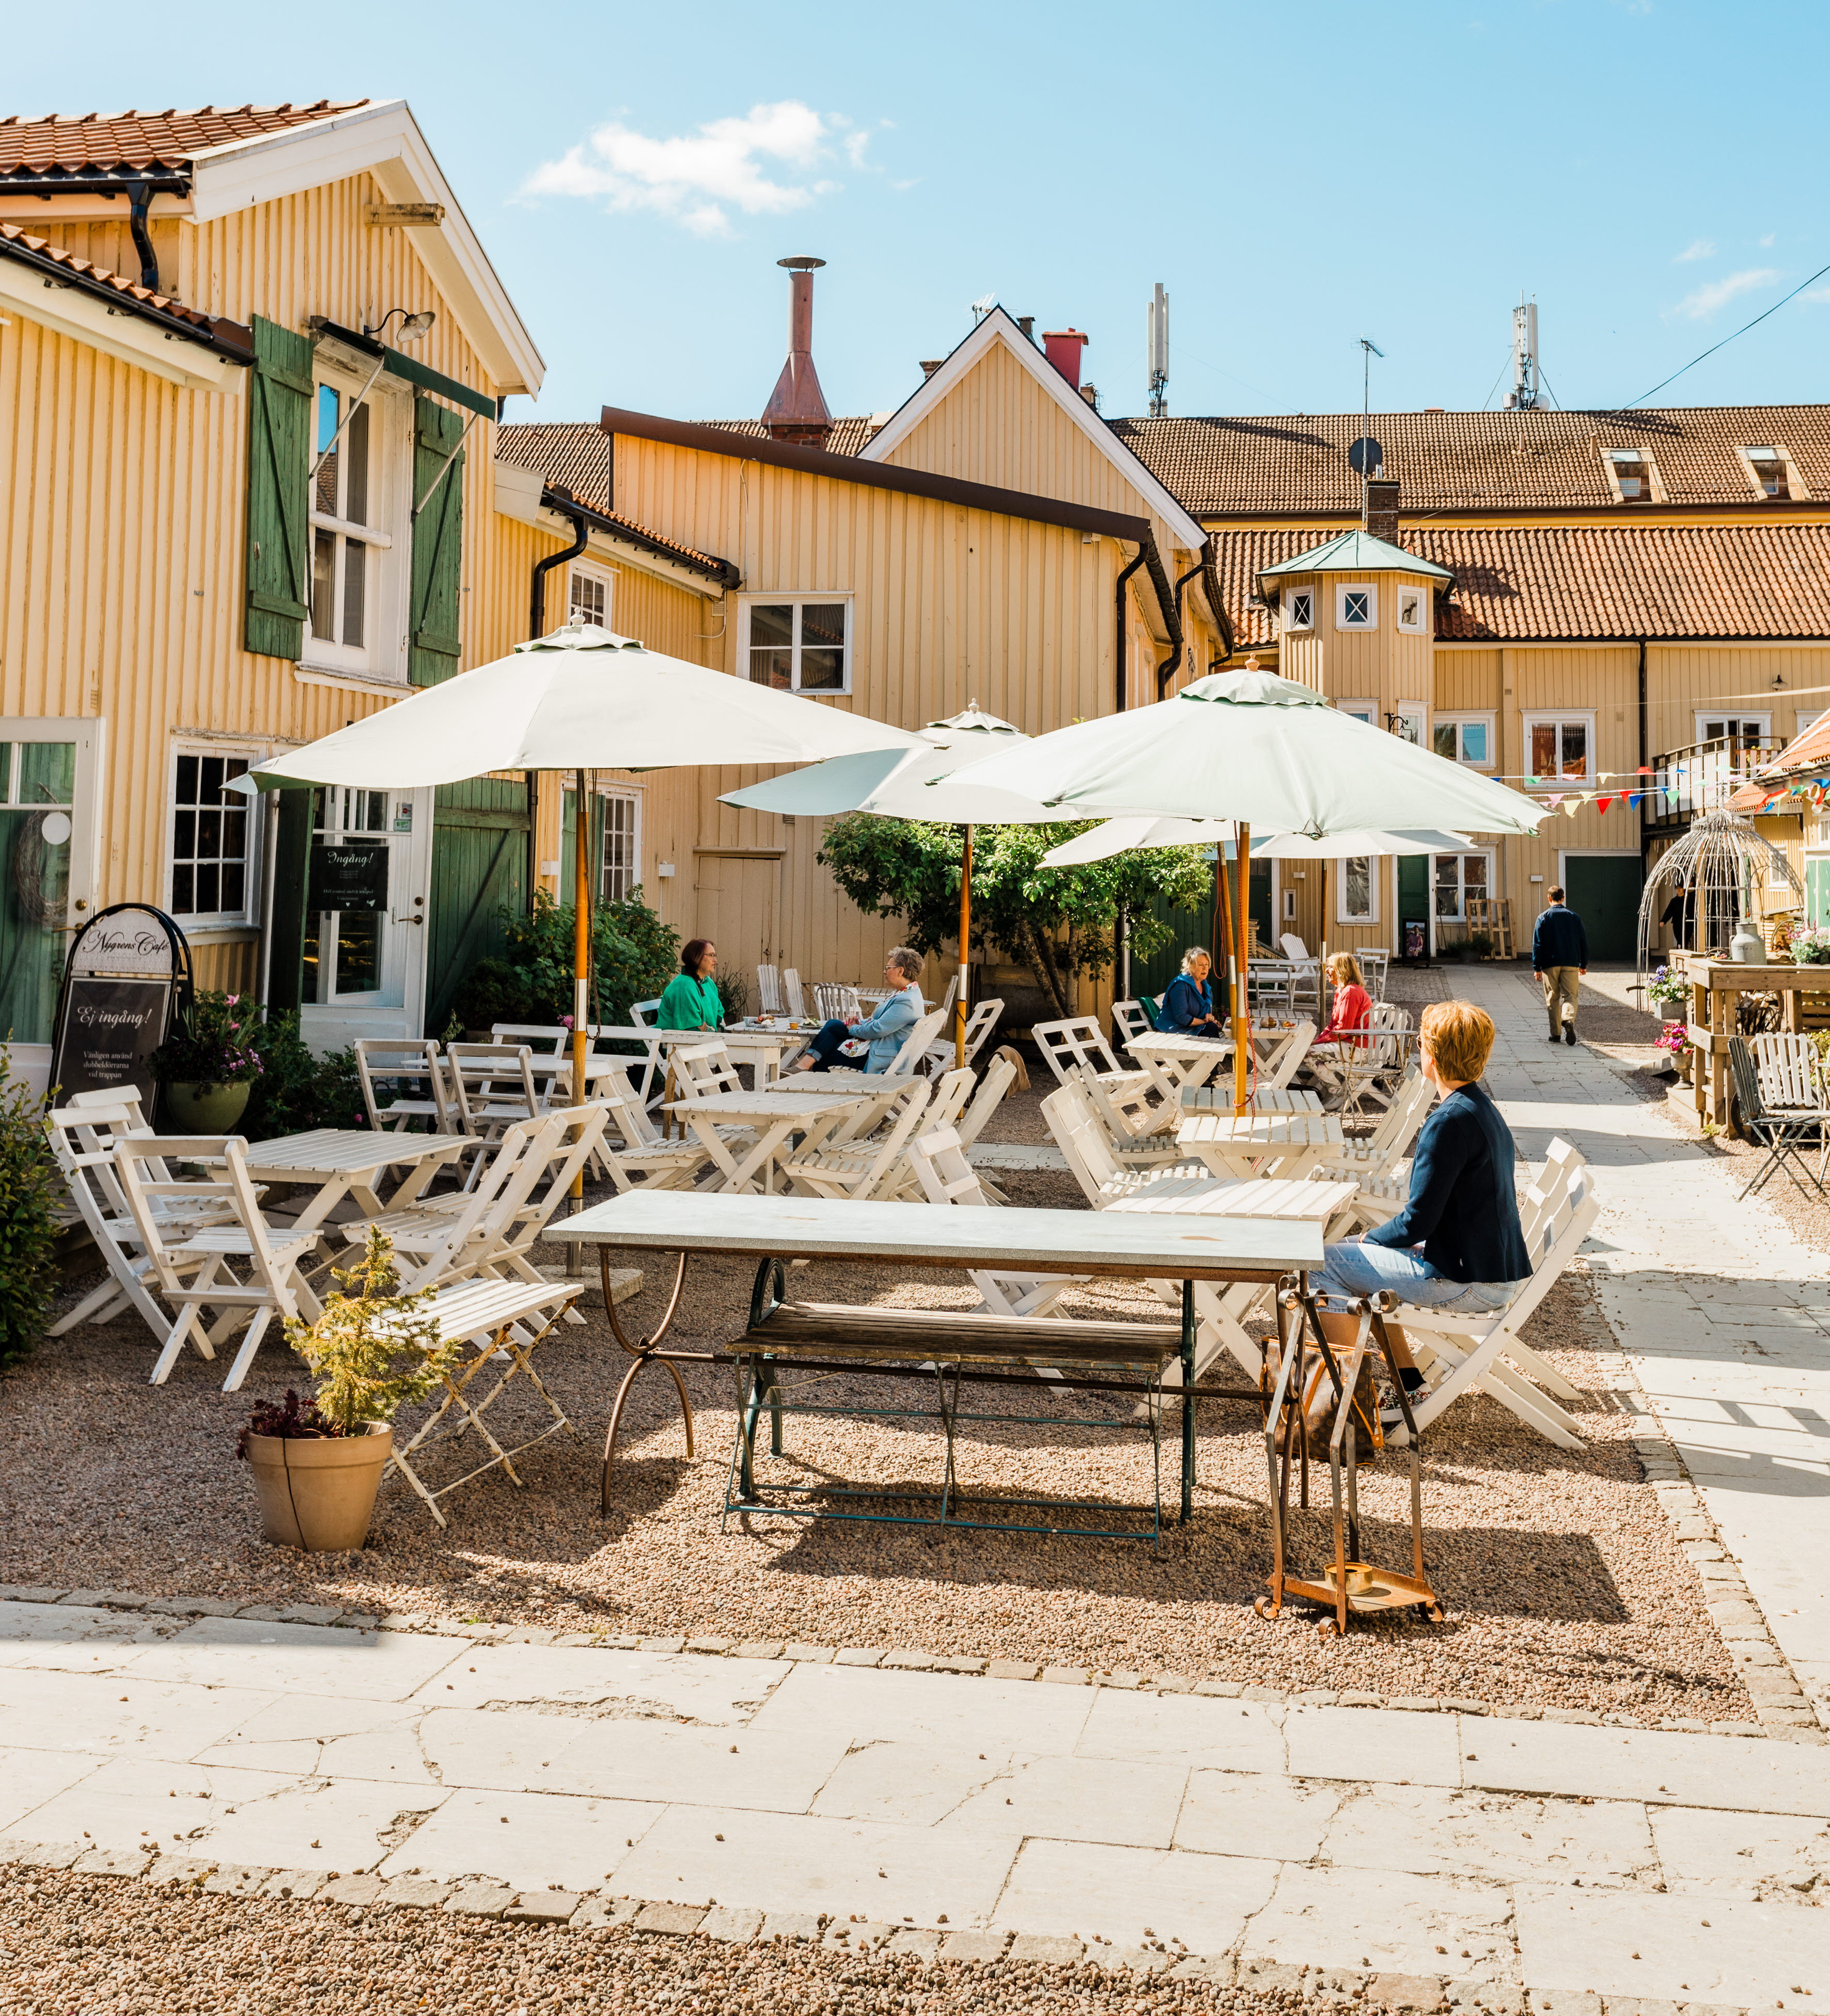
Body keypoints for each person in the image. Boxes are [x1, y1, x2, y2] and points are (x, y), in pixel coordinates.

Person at [1306, 1000, 1531, 1426]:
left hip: (1467, 1283)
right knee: (1360, 1268)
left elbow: (1417, 1221)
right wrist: (1372, 1245)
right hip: (1489, 1271)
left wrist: (1366, 1240)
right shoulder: (1479, 1109)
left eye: (1420, 1043)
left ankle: (1350, 1399)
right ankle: (1407, 1383)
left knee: (1319, 1263)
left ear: (1432, 1052)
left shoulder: (1448, 1122)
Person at [793, 947, 926, 1073]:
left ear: (900, 971)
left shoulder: (907, 1001)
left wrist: (853, 1028)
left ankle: (809, 1079)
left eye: (888, 968)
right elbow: (880, 1023)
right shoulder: (904, 993)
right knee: (834, 1025)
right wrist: (859, 1022)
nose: (884, 972)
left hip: (880, 1056)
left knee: (827, 1051)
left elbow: (878, 1029)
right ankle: (802, 1067)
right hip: (876, 1044)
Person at [1531, 884, 1588, 1047]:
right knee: (1570, 996)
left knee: (1552, 998)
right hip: (1571, 962)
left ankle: (1555, 1034)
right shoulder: (1574, 917)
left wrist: (1537, 967)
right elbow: (1583, 942)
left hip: (1550, 963)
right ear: (1563, 898)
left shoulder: (1543, 918)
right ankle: (1568, 1019)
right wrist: (1583, 964)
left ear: (1549, 899)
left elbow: (1538, 944)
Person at [656, 939, 724, 1031]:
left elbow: (719, 1013)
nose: (715, 960)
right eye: (711, 955)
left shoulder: (708, 982)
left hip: (704, 1039)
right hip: (678, 1042)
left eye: (715, 955)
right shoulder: (685, 986)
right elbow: (692, 1027)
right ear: (696, 957)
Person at [1312, 952, 1373, 1051]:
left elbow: (1344, 1030)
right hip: (1347, 1042)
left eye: (1331, 967)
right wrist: (1319, 1040)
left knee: (1307, 1052)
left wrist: (1317, 1043)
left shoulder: (1351, 992)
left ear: (1342, 970)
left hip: (1358, 1046)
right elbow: (1333, 1025)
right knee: (1303, 1050)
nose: (1327, 970)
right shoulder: (1341, 991)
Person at [1158, 947, 1221, 1033]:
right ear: (1190, 966)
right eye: (1200, 965)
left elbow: (1204, 1015)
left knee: (1212, 1028)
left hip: (1195, 1029)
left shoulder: (1206, 988)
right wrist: (1205, 1023)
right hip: (1173, 1031)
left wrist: (1209, 1018)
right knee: (1210, 1028)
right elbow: (1182, 1017)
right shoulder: (1180, 985)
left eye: (1206, 964)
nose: (1205, 968)